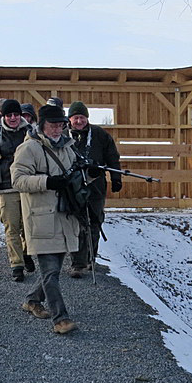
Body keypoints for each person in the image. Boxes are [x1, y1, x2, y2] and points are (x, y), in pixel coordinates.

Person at [11, 104, 80, 334]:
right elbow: (18, 180)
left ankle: (32, 300)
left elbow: (74, 174)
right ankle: (61, 319)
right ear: (41, 126)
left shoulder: (68, 148)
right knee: (50, 273)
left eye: (61, 124)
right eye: (53, 125)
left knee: (53, 271)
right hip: (41, 219)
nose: (57, 129)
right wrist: (47, 182)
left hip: (63, 218)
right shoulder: (28, 148)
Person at [0, 99, 36, 281]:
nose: (13, 118)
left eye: (16, 114)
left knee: (29, 226)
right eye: (9, 115)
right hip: (6, 187)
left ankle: (27, 253)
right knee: (11, 227)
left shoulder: (31, 133)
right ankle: (17, 264)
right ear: (2, 116)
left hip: (28, 186)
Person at [67, 101, 122, 278]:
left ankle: (91, 258)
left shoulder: (99, 135)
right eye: (76, 118)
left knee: (95, 222)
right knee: (77, 224)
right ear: (70, 119)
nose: (79, 121)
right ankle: (78, 263)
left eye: (82, 117)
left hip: (96, 185)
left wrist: (116, 179)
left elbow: (112, 157)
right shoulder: (63, 136)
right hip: (72, 187)